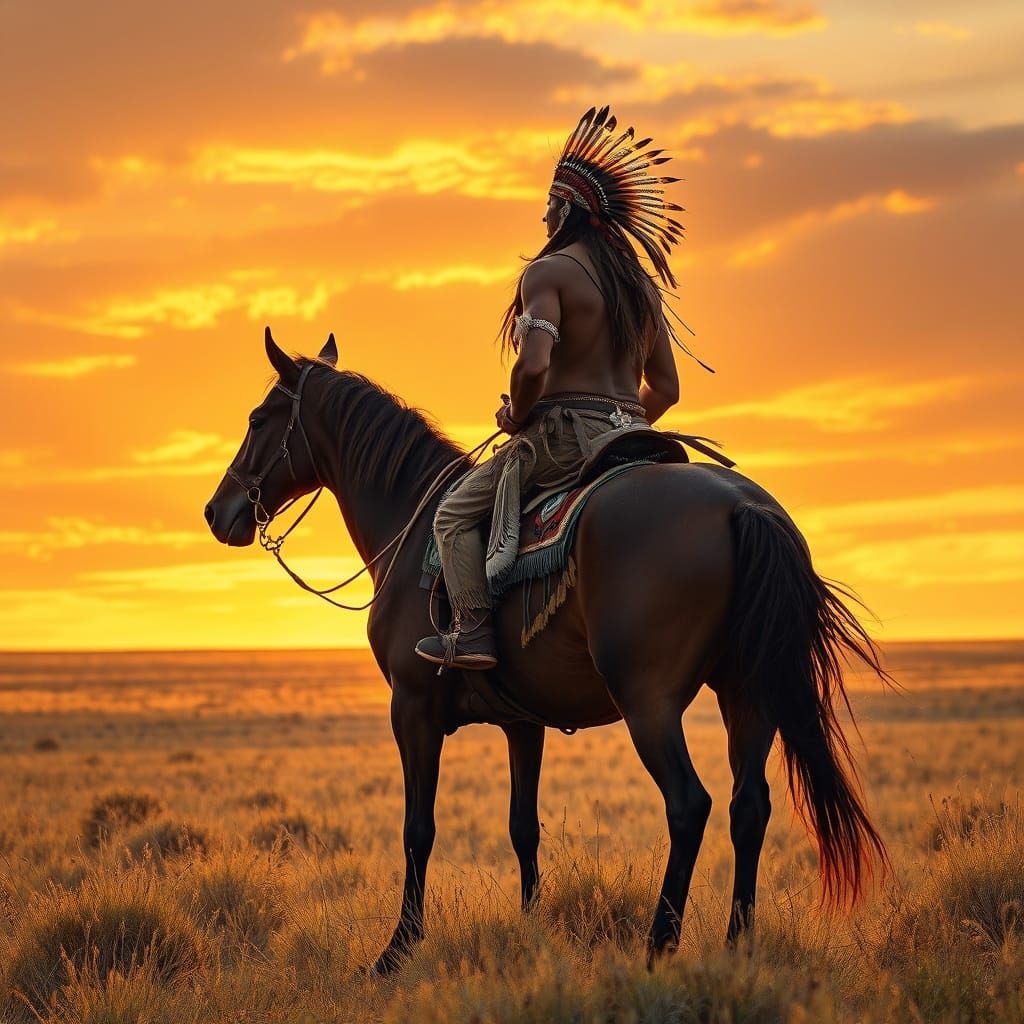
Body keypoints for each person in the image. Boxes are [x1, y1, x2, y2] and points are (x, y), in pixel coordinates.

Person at [414, 105, 703, 670]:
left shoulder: (548, 274)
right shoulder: (641, 289)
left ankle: (472, 632)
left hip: (560, 442)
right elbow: (666, 389)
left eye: (549, 204)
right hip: (632, 437)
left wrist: (519, 415)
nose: (543, 217)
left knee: (450, 513)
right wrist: (626, 426)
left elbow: (533, 368)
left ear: (567, 206)